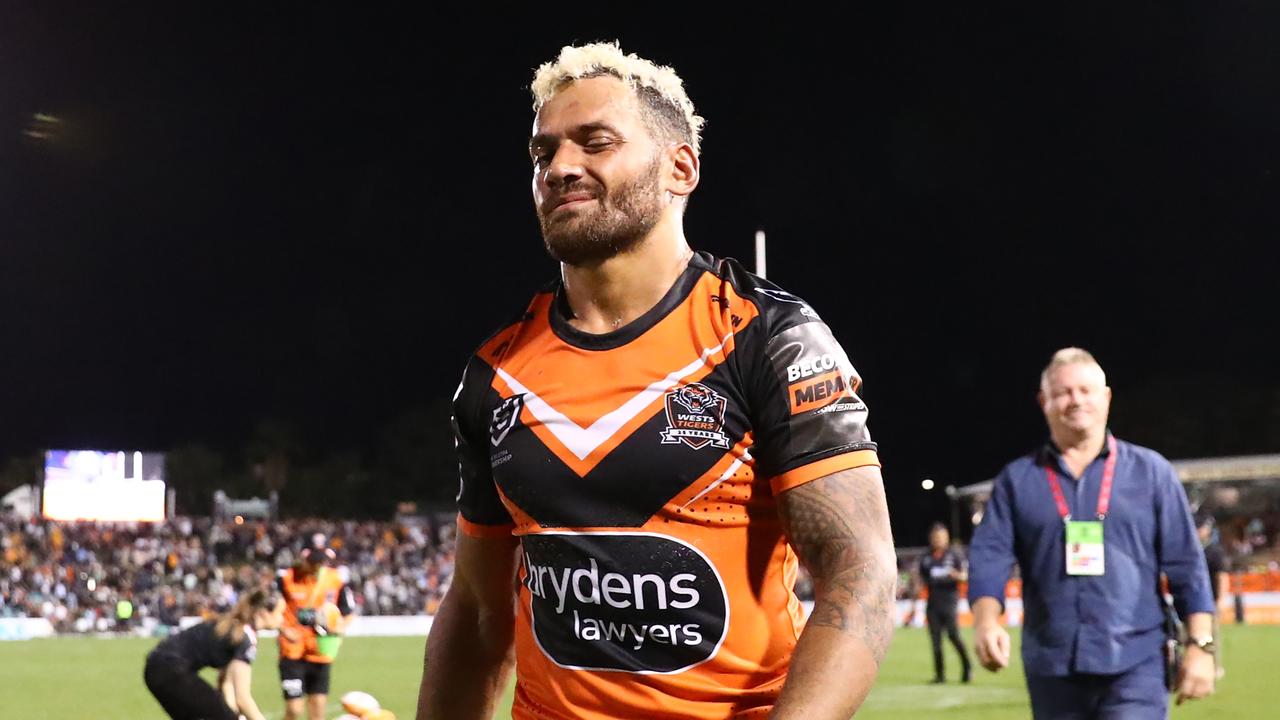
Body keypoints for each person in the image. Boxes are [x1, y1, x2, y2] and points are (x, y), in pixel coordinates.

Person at [414, 41, 896, 720]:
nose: (560, 168)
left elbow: (861, 574)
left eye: (595, 142)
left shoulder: (768, 338)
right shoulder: (494, 373)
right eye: (542, 153)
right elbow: (478, 614)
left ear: (681, 167)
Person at [968, 347, 1216, 719]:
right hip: (1052, 668)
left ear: (1107, 396)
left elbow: (1187, 565)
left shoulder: (1151, 473)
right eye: (1064, 392)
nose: (1076, 400)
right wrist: (986, 621)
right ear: (1044, 401)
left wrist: (1200, 646)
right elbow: (990, 557)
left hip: (1137, 662)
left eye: (1086, 390)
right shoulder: (1017, 481)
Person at [143, 586, 284, 720]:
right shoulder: (245, 638)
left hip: (156, 668)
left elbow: (227, 686)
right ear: (264, 612)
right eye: (280, 613)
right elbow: (243, 698)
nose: (282, 619)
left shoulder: (235, 627)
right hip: (171, 670)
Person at [277, 534, 356, 720]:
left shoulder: (335, 580)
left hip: (321, 650)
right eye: (314, 561)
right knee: (295, 709)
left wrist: (340, 628)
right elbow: (270, 612)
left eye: (323, 560)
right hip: (292, 651)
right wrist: (283, 629)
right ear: (303, 557)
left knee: (318, 710)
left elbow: (348, 612)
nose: (319, 565)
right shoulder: (286, 579)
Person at [915, 523, 972, 683]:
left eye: (941, 536)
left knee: (954, 636)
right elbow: (921, 580)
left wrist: (957, 575)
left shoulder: (955, 554)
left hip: (950, 600)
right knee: (935, 641)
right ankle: (940, 676)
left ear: (946, 537)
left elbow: (965, 576)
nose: (938, 539)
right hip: (932, 602)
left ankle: (967, 668)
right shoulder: (926, 557)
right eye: (935, 537)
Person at [1196, 512, 1230, 677]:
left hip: (1210, 599)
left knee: (1211, 635)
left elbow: (1222, 575)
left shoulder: (1214, 551)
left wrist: (1221, 599)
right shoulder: (1191, 548)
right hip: (1192, 599)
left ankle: (1214, 667)